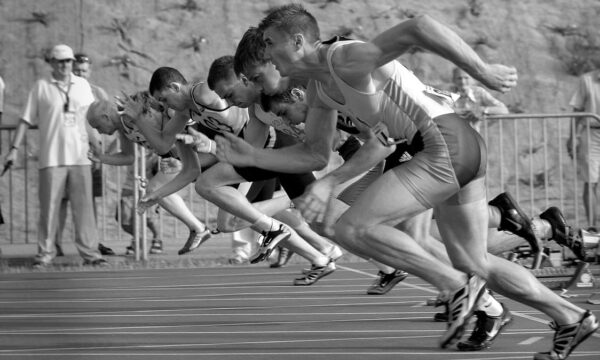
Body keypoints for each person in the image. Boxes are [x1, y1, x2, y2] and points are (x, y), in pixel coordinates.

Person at [211, 6, 597, 358]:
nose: (267, 58)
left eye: (270, 46)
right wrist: (254, 157)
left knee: (351, 227)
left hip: (441, 141)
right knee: (474, 259)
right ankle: (569, 317)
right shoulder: (319, 89)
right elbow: (313, 154)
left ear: (297, 42)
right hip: (452, 144)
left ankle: (456, 286)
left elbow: (418, 26)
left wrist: (484, 71)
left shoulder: (343, 57)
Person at [141, 66, 341, 285]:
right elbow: (183, 162)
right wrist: (158, 192)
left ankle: (316, 242)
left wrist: (211, 146)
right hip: (255, 153)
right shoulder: (185, 115)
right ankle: (320, 252)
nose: (165, 107)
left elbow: (228, 76)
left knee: (236, 217)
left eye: (164, 99)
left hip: (267, 147)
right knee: (229, 206)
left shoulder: (203, 93)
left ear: (175, 87)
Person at [3, 44, 106, 268]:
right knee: (49, 209)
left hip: (80, 157)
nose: (65, 65)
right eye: (60, 61)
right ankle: (45, 254)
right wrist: (13, 149)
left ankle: (91, 254)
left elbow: (91, 118)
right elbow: (25, 120)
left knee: (84, 208)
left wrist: (98, 146)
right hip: (51, 159)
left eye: (68, 61)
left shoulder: (82, 85)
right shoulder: (41, 87)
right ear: (51, 63)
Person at [85, 93, 212, 256]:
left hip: (185, 147)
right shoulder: (123, 128)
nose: (99, 131)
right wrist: (102, 158)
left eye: (97, 126)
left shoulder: (130, 115)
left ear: (106, 117)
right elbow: (128, 157)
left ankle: (199, 228)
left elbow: (164, 116)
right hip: (174, 156)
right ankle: (199, 228)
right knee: (155, 191)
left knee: (155, 189)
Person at [55, 52, 116, 257]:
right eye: (77, 70)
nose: (80, 74)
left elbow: (109, 122)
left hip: (91, 154)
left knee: (90, 200)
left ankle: (94, 242)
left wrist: (102, 152)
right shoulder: (64, 91)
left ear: (90, 71)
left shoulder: (98, 93)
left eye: (84, 71)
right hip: (67, 153)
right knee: (61, 199)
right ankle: (55, 243)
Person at [568, 69, 600, 232]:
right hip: (591, 132)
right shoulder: (587, 80)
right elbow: (577, 112)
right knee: (591, 181)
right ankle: (593, 226)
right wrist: (572, 136)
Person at [450, 67, 508, 133]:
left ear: (472, 79)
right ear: (453, 80)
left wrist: (482, 110)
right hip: (452, 137)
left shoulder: (479, 92)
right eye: (459, 78)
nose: (462, 81)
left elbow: (503, 110)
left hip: (473, 136)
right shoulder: (447, 93)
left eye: (466, 78)